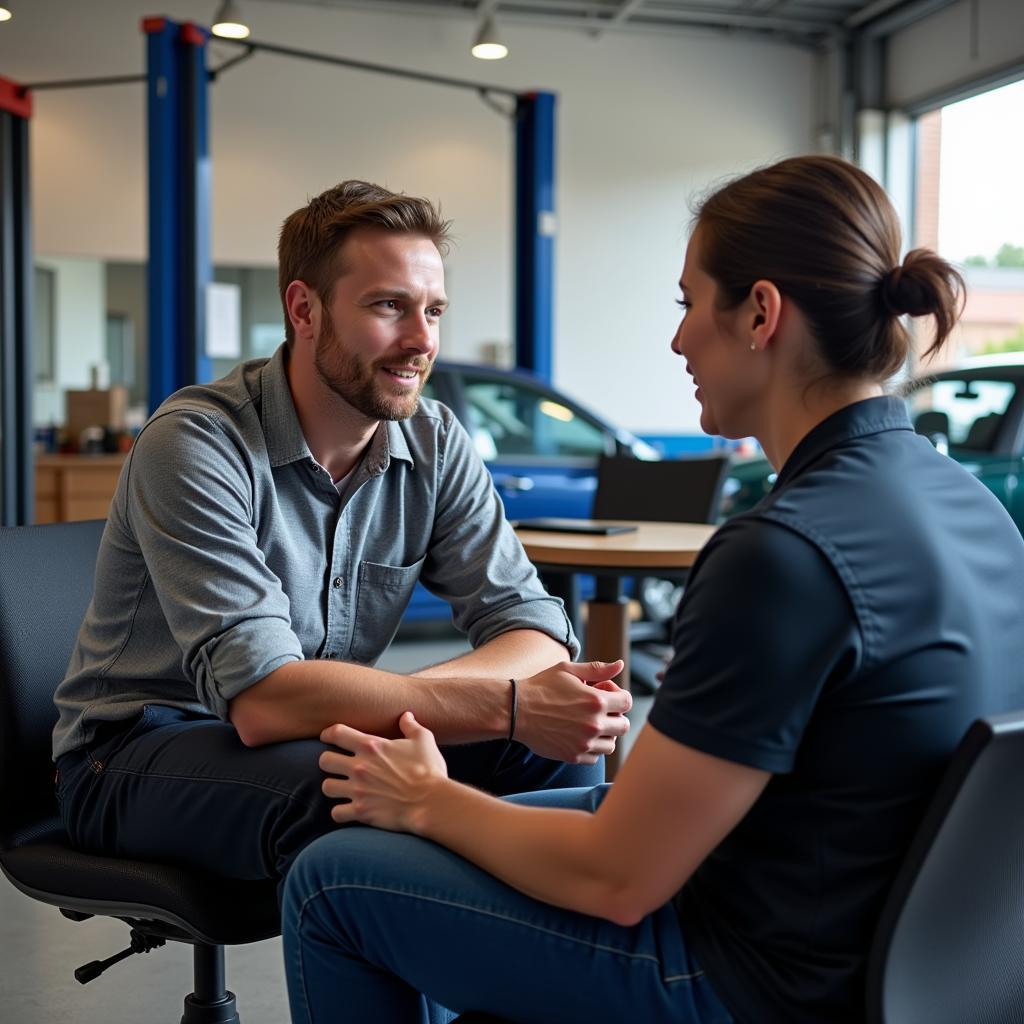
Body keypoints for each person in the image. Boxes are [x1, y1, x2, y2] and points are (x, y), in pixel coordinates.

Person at [280, 155, 1024, 1024]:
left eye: (686, 305)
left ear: (759, 313)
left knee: (330, 880)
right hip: (896, 961)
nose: (677, 342)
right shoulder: (973, 507)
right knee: (550, 811)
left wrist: (429, 799)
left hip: (748, 983)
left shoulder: (780, 555)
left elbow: (619, 878)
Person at [51, 180, 631, 883]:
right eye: (389, 306)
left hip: (312, 733)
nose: (422, 341)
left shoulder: (434, 438)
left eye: (434, 311)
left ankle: (521, 992)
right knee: (354, 800)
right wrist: (501, 705)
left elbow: (534, 630)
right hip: (133, 754)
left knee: (556, 747)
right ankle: (440, 989)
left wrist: (453, 712)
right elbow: (265, 702)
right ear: (305, 309)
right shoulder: (197, 442)